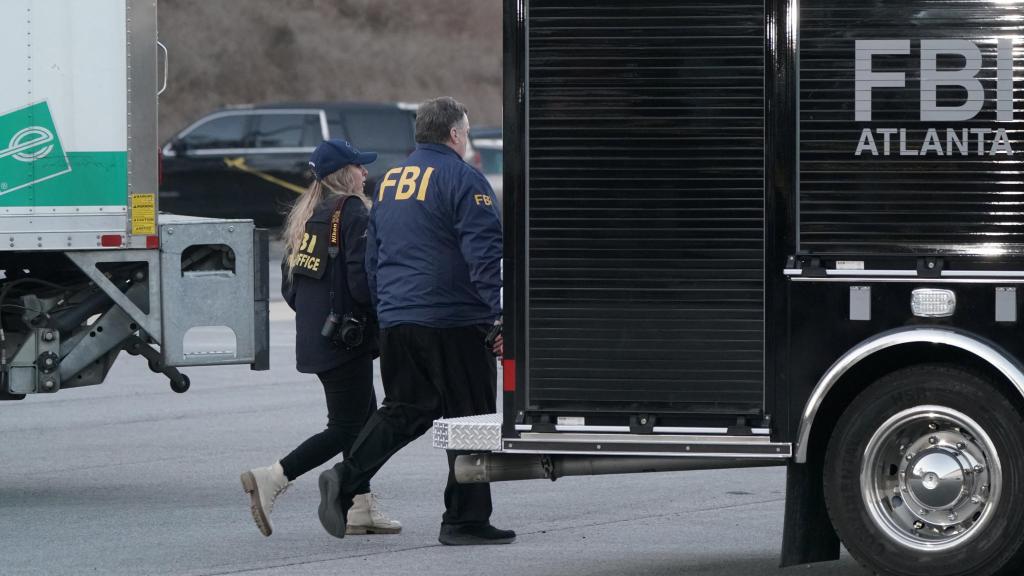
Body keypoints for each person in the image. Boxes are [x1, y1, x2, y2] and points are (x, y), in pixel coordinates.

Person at [316, 96, 512, 545]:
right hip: (455, 319)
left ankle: (346, 477)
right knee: (472, 417)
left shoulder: (389, 182)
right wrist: (500, 313)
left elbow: (373, 255)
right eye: (465, 132)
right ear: (456, 134)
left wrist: (387, 311)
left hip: (400, 317)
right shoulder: (464, 179)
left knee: (405, 409)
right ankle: (465, 520)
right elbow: (485, 255)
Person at [240, 139, 401, 538]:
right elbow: (365, 285)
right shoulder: (353, 214)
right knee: (348, 427)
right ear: (346, 174)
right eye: (360, 167)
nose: (366, 173)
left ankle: (360, 508)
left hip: (317, 337)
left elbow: (292, 288)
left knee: (364, 420)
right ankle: (274, 476)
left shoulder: (306, 215)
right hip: (347, 340)